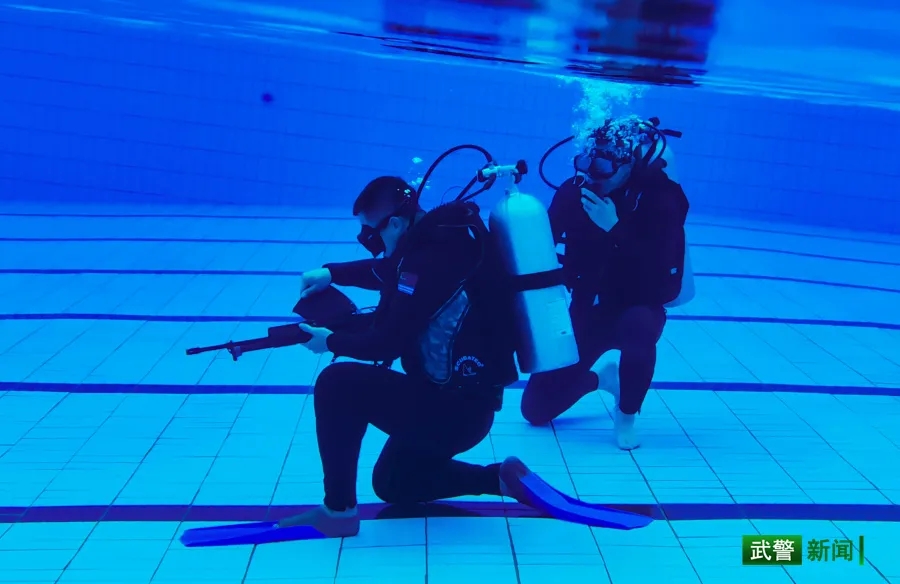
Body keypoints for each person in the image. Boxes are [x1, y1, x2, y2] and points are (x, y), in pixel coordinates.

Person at [280, 176, 544, 537]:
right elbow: (394, 273)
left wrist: (331, 342)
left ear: (395, 224)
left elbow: (386, 343)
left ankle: (338, 511)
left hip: (453, 413)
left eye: (370, 235)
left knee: (336, 383)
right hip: (464, 406)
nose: (370, 244)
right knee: (393, 482)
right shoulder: (446, 239)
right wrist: (333, 273)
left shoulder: (426, 258)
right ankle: (498, 478)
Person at [521, 116, 690, 450]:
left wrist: (615, 228)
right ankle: (602, 379)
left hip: (639, 304)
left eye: (601, 166)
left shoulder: (662, 199)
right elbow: (543, 247)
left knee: (638, 328)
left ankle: (626, 415)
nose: (590, 176)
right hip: (588, 307)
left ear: (627, 164)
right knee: (536, 410)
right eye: (585, 162)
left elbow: (659, 273)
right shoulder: (573, 193)